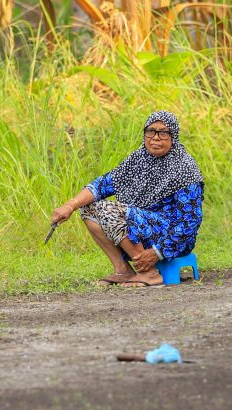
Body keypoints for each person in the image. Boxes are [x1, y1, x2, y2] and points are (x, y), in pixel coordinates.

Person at [51, 110, 204, 287]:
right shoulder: (138, 159)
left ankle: (149, 274)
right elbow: (103, 184)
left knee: (107, 210)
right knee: (88, 208)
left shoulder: (184, 167)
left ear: (173, 136)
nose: (155, 138)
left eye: (163, 133)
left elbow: (190, 222)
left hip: (172, 238)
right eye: (150, 131)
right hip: (139, 228)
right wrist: (70, 206)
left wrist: (158, 252)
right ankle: (122, 270)